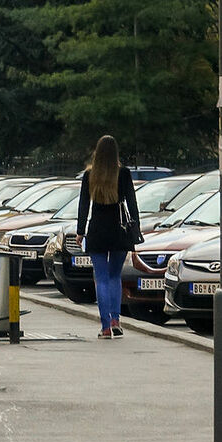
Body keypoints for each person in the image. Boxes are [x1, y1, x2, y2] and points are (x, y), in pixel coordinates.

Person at [76, 134, 139, 339]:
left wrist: (80, 231)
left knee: (101, 278)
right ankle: (116, 320)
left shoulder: (89, 175)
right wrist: (136, 230)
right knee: (114, 276)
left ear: (97, 152)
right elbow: (132, 203)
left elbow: (83, 204)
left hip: (97, 230)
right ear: (115, 153)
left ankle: (105, 327)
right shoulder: (124, 173)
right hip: (119, 230)